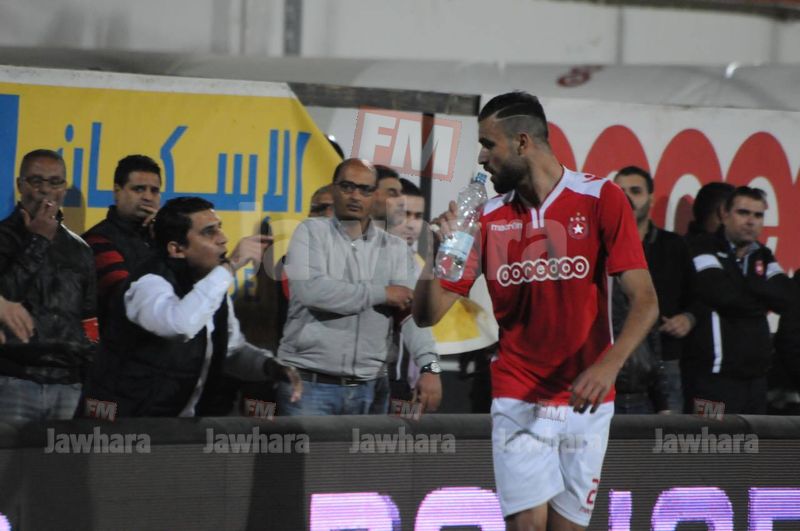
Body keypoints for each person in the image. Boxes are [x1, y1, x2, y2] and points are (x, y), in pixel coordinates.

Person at [413, 92, 658, 531]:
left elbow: (646, 301)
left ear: (523, 142)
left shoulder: (601, 197)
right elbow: (427, 314)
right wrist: (438, 252)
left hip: (588, 397)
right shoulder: (485, 218)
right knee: (527, 524)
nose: (482, 158)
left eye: (489, 144)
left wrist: (607, 367)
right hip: (518, 393)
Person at [80, 196, 301, 417]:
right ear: (176, 249)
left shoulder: (212, 287)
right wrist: (230, 266)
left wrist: (270, 366)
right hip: (119, 426)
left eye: (220, 228)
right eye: (209, 232)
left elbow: (231, 352)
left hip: (172, 427)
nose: (223, 239)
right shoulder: (147, 284)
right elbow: (179, 325)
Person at [277, 158, 441, 416]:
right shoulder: (310, 232)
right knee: (306, 458)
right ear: (333, 189)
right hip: (309, 383)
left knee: (363, 460)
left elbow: (412, 314)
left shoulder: (396, 249)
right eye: (347, 187)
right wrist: (382, 293)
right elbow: (313, 291)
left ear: (375, 195)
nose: (355, 196)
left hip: (371, 387)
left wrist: (430, 367)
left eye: (364, 189)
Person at [0, 149, 97, 421]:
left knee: (60, 465)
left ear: (64, 189)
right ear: (20, 186)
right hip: (12, 380)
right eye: (36, 181)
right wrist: (38, 242)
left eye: (55, 183)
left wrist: (90, 372)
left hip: (69, 385)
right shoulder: (4, 238)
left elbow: (89, 319)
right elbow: (5, 298)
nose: (46, 191)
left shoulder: (81, 250)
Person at [684, 186, 794, 415]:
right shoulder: (703, 247)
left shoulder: (761, 254)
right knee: (710, 445)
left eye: (758, 215)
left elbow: (788, 298)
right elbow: (721, 294)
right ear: (724, 214)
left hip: (756, 382)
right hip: (712, 381)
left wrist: (744, 284)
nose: (751, 221)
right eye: (743, 213)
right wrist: (762, 296)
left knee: (751, 448)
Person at [613, 166, 696, 413]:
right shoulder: (601, 246)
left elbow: (699, 295)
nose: (627, 197)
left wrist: (688, 317)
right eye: (620, 191)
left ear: (650, 197)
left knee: (662, 441)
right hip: (613, 361)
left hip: (665, 358)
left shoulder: (672, 246)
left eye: (635, 191)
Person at [82, 154, 161, 331]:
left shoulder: (163, 239)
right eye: (139, 189)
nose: (148, 197)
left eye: (154, 190)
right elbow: (125, 298)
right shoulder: (98, 240)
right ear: (117, 192)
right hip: (121, 350)